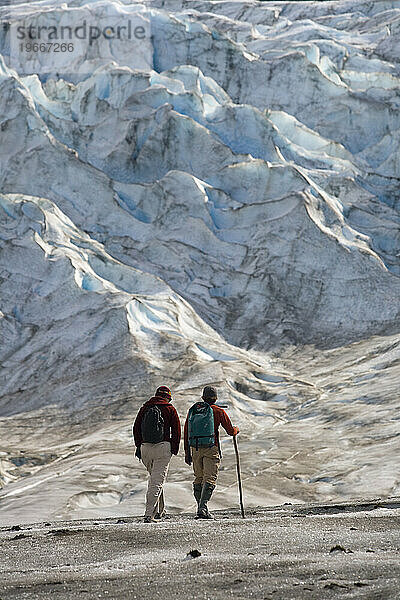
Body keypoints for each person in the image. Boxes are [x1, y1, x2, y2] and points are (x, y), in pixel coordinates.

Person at [184, 385, 239, 519]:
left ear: (203, 397)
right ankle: (203, 507)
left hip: (195, 448)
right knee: (210, 478)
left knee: (199, 478)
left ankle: (200, 507)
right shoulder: (218, 411)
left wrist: (187, 452)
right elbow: (230, 431)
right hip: (211, 448)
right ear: (215, 398)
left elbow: (186, 431)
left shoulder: (194, 412)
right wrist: (236, 430)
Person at [133, 385, 181, 523]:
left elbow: (136, 428)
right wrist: (173, 448)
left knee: (155, 480)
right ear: (168, 397)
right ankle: (148, 515)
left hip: (145, 449)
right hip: (163, 448)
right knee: (156, 482)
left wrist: (139, 446)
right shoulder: (170, 409)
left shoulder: (145, 408)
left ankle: (160, 510)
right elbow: (176, 431)